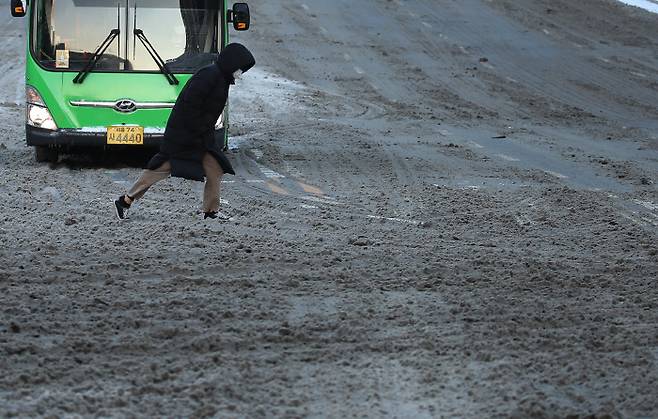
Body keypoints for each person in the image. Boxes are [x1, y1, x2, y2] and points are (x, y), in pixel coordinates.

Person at [114, 43, 255, 221]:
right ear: (232, 62)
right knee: (161, 168)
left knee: (215, 169)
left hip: (200, 138)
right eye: (240, 67)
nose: (240, 72)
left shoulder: (220, 78)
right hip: (185, 136)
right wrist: (193, 134)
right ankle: (125, 200)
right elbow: (189, 107)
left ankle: (211, 212)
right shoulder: (209, 76)